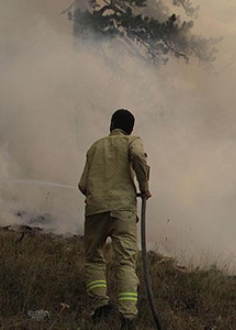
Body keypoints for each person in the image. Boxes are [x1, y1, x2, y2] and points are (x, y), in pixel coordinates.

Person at [78, 109, 151, 330]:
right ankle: (128, 316)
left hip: (96, 210)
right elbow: (138, 156)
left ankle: (101, 305)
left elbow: (83, 185)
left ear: (111, 124)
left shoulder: (95, 146)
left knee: (93, 257)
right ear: (131, 129)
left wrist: (98, 195)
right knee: (126, 261)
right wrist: (144, 187)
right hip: (123, 212)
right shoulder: (133, 141)